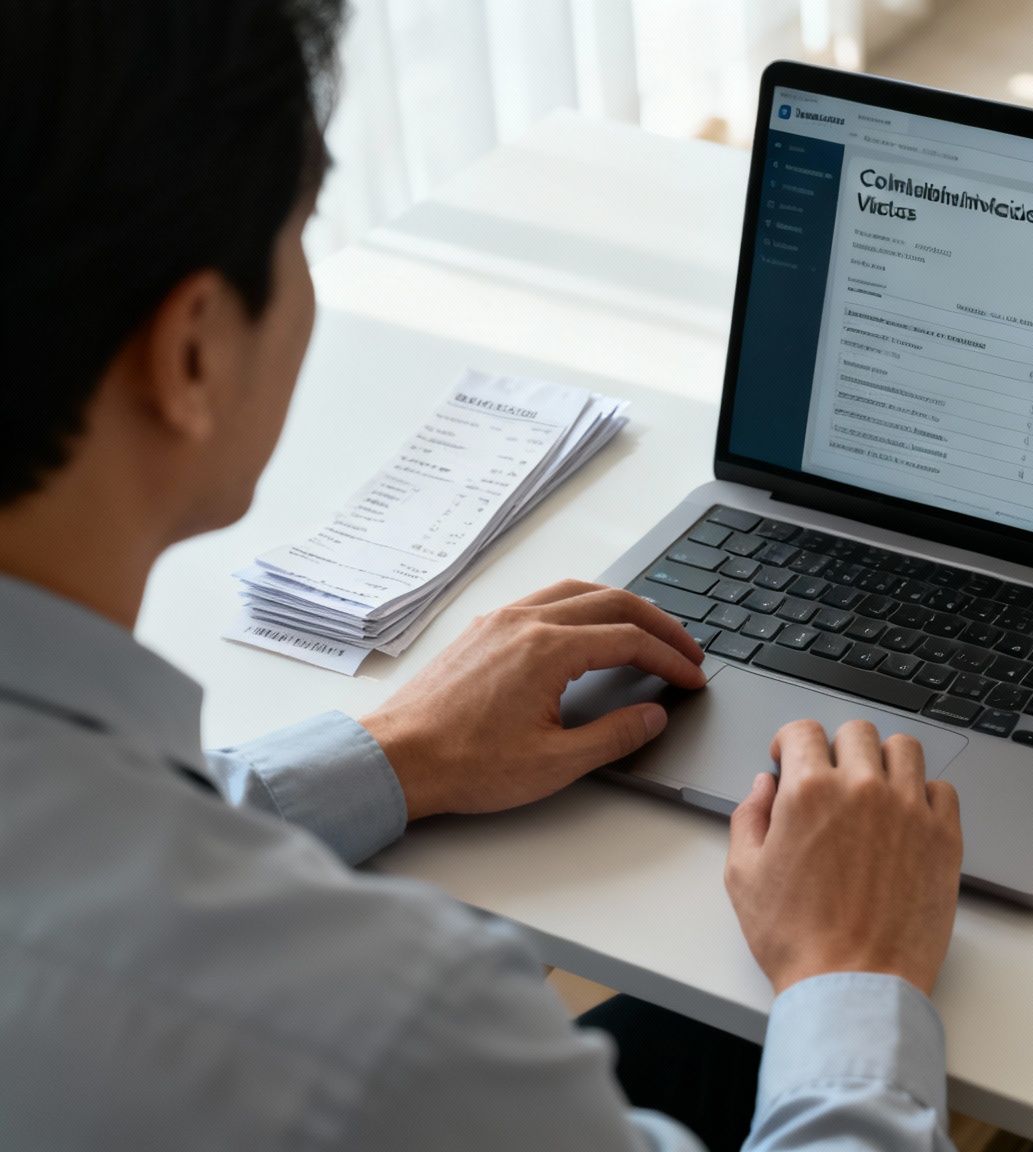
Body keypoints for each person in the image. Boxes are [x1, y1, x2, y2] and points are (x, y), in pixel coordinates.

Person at [0, 3, 966, 1150]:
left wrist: (394, 755)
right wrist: (850, 967)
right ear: (192, 351)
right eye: (300, 236)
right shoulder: (384, 1030)